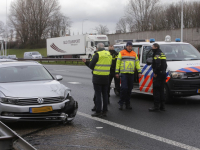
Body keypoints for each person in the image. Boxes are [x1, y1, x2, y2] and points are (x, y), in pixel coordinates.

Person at [116, 42, 142, 110]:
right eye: (129, 46)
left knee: (129, 89)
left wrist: (139, 71)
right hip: (124, 73)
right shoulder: (121, 52)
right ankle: (121, 103)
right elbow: (118, 63)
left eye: (131, 46)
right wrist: (116, 72)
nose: (130, 47)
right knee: (124, 88)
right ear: (126, 46)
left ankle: (127, 103)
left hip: (131, 74)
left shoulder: (134, 53)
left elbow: (137, 63)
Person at [89, 43, 112, 117]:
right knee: (105, 94)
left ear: (97, 48)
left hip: (98, 77)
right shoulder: (109, 54)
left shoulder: (97, 54)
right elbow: (110, 64)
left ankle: (98, 111)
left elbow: (91, 65)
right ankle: (105, 110)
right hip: (106, 77)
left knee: (98, 94)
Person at [149, 43, 167, 112]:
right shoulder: (162, 53)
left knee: (156, 90)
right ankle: (162, 106)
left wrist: (155, 72)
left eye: (152, 47)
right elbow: (165, 64)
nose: (152, 48)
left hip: (158, 74)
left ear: (156, 47)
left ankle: (156, 106)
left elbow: (158, 64)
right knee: (161, 90)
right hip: (163, 73)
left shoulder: (157, 54)